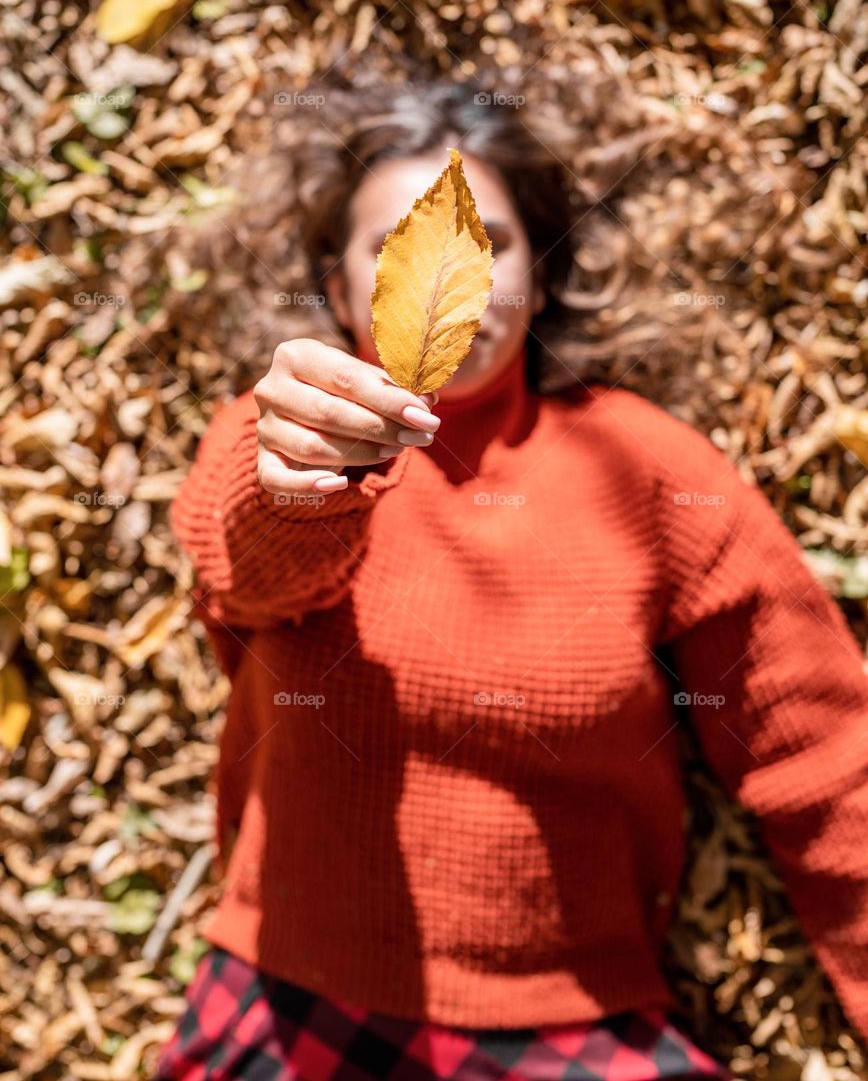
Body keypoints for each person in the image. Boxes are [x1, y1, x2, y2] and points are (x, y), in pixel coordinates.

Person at [154, 80, 868, 1080]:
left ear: (538, 270)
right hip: (293, 999)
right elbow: (247, 571)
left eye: (486, 245)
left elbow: (823, 753)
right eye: (396, 250)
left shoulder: (649, 470)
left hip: (567, 1018)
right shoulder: (281, 433)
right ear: (339, 282)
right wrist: (310, 479)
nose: (456, 284)